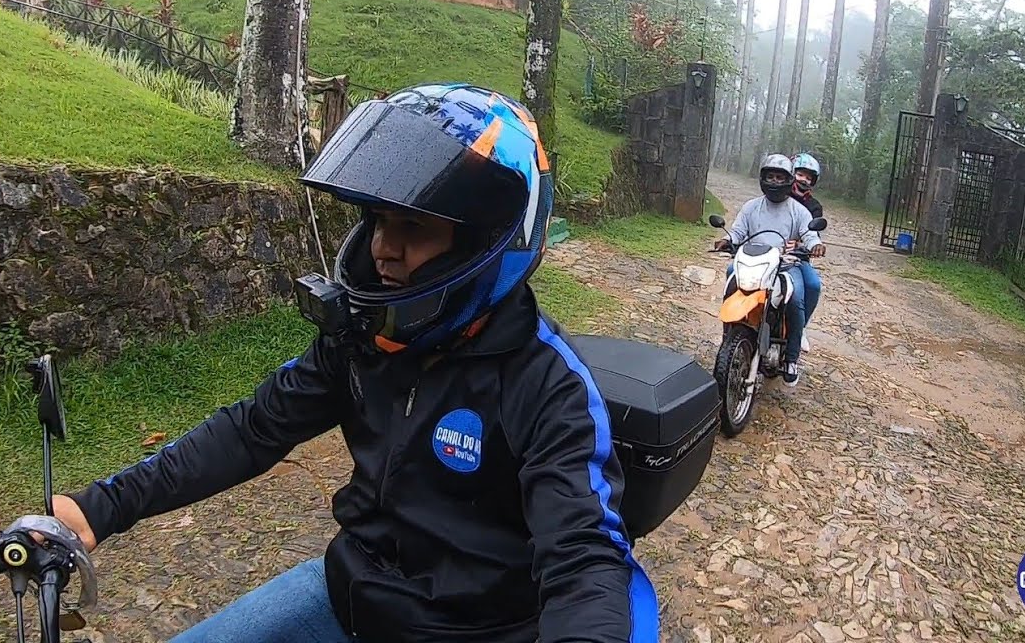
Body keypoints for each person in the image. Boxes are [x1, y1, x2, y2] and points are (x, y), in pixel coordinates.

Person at [43, 83, 660, 643]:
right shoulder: (364, 338)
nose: (383, 250)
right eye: (377, 222)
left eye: (413, 228)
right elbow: (254, 429)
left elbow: (584, 558)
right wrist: (97, 507)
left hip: (475, 631)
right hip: (351, 598)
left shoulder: (547, 384)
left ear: (484, 241)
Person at [712, 154, 826, 387]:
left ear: (788, 180)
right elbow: (738, 231)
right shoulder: (751, 207)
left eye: (779, 177)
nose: (774, 181)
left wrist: (814, 245)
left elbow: (810, 234)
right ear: (763, 178)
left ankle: (791, 358)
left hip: (786, 263)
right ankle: (730, 336)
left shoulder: (800, 210)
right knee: (731, 275)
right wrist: (727, 240)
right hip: (753, 260)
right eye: (770, 176)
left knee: (795, 301)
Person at [789, 153, 825, 352]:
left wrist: (801, 245)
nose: (804, 180)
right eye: (801, 174)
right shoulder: (778, 195)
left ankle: (800, 327)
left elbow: (813, 235)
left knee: (812, 285)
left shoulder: (814, 207)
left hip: (797, 257)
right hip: (767, 251)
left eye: (809, 177)